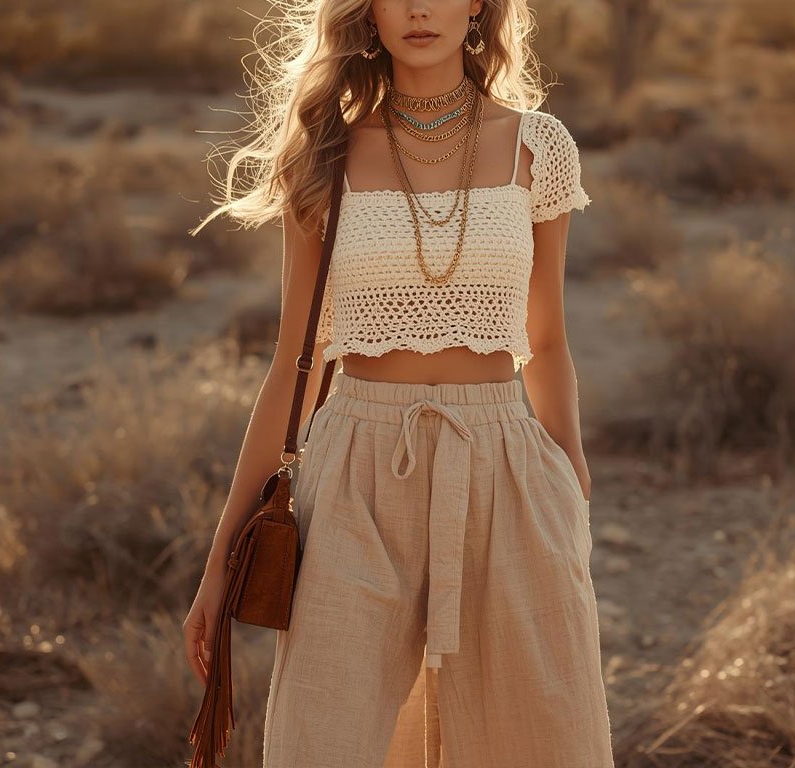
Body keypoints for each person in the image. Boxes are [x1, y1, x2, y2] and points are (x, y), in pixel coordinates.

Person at [182, 0, 613, 765]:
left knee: (534, 737)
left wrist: (568, 483)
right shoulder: (324, 152)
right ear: (366, 13)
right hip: (356, 471)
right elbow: (295, 361)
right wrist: (219, 565)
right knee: (325, 740)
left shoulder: (538, 145)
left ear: (476, 5)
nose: (418, 8)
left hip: (506, 466)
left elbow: (545, 340)